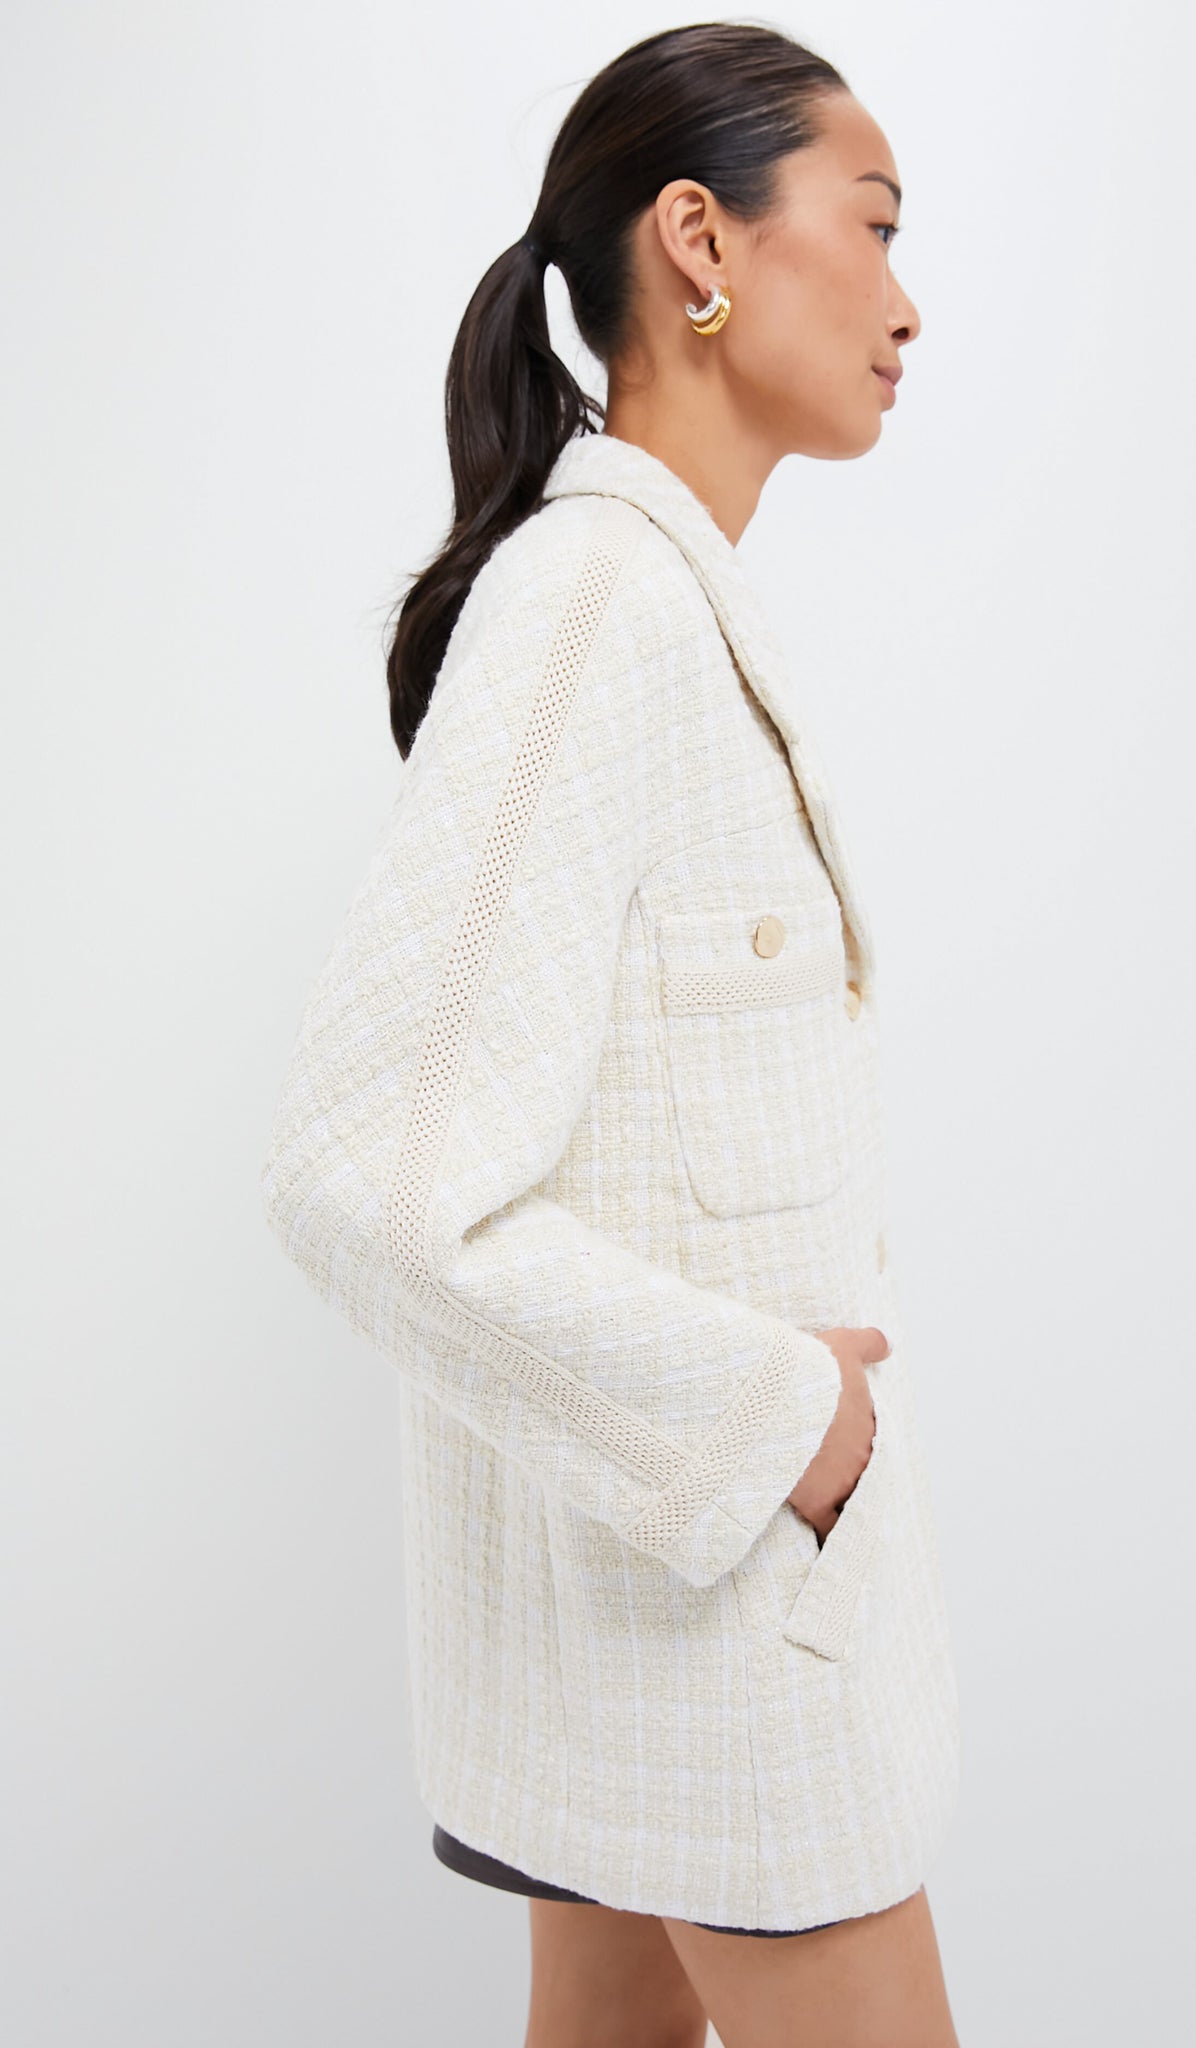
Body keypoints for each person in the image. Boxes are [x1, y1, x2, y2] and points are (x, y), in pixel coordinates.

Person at [260, 21, 961, 2046]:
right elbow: (365, 1177)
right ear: (698, 242)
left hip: (656, 1613)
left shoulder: (657, 600)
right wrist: (777, 1426)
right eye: (875, 224)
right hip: (717, 1617)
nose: (907, 302)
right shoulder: (594, 609)